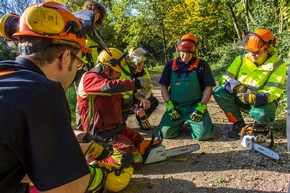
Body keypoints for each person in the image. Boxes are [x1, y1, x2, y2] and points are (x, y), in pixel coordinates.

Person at [0, 2, 110, 192]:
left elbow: (13, 157)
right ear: (65, 57)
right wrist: (98, 174)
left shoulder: (8, 78)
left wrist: (79, 139)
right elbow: (69, 187)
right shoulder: (43, 91)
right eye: (78, 61)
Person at [77, 47, 152, 168]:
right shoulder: (89, 78)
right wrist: (136, 84)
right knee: (132, 160)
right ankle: (94, 159)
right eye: (117, 72)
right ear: (107, 69)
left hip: (116, 129)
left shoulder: (111, 83)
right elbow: (109, 87)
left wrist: (136, 98)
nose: (119, 75)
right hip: (100, 135)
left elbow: (122, 106)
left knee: (141, 143)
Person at [213, 29, 286, 139]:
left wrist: (255, 97)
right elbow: (225, 79)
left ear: (268, 49)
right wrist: (237, 87)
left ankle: (260, 126)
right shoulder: (241, 59)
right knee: (219, 92)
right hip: (240, 96)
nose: (252, 54)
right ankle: (238, 124)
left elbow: (273, 90)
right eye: (250, 51)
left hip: (262, 101)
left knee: (263, 113)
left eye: (256, 52)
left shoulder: (278, 64)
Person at [158, 33, 216, 140]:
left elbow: (209, 87)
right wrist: (169, 105)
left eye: (189, 53)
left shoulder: (202, 65)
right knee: (164, 133)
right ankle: (179, 124)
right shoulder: (171, 65)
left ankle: (201, 124)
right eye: (183, 52)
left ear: (194, 51)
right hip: (176, 107)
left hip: (195, 107)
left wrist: (202, 106)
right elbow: (164, 86)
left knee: (205, 135)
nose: (185, 55)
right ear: (179, 50)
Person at [121, 47, 159, 130]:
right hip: (124, 102)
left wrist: (143, 99)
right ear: (131, 63)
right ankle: (119, 124)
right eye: (138, 63)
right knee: (120, 129)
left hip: (137, 99)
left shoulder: (144, 72)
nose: (141, 65)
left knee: (153, 101)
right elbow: (120, 93)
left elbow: (148, 88)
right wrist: (135, 106)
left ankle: (140, 118)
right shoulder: (122, 72)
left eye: (142, 62)